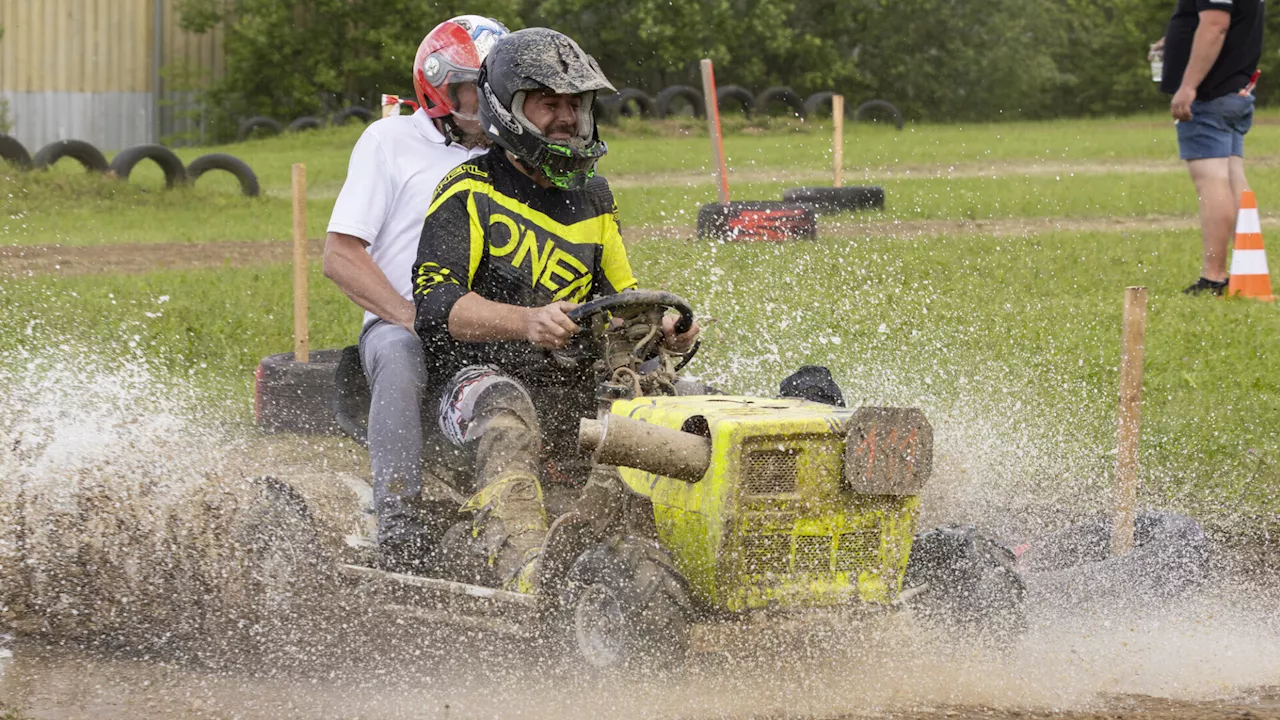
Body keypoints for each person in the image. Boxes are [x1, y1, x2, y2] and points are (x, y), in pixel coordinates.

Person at [412, 28, 700, 592]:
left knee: (674, 406)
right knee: (507, 410)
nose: (566, 117)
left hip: (568, 381)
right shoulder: (467, 189)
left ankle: (672, 546)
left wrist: (665, 333)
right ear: (509, 109)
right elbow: (438, 306)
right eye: (549, 103)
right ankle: (529, 576)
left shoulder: (595, 198)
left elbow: (626, 304)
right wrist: (527, 322)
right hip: (470, 383)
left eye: (576, 104)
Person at [323, 15, 509, 571]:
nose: (486, 104)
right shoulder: (390, 141)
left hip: (490, 317)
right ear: (440, 89)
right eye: (474, 91)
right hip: (399, 321)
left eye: (496, 90)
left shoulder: (514, 156)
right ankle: (398, 518)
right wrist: (410, 316)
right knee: (402, 355)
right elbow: (340, 255)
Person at [1150, 0, 1265, 295]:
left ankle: (1214, 277)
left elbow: (1216, 25)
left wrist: (1188, 86)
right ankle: (1247, 269)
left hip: (1211, 95)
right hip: (1235, 90)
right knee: (1232, 176)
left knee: (1212, 181)